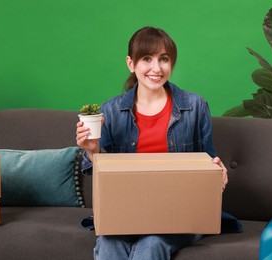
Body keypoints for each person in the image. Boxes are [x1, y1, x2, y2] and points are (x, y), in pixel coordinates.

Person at [76, 26, 230, 260]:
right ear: (131, 63)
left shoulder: (195, 105)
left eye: (164, 59)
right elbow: (99, 175)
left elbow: (208, 160)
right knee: (109, 244)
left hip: (181, 213)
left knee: (151, 245)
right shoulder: (111, 111)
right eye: (147, 59)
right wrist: (91, 150)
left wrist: (217, 172)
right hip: (127, 214)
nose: (156, 68)